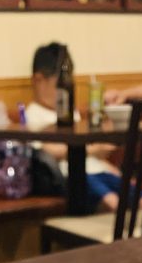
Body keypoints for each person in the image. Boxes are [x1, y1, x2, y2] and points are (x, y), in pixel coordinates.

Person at [26, 42, 122, 212]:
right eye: (61, 83)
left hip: (98, 170)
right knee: (114, 203)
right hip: (73, 177)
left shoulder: (70, 112)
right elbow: (46, 152)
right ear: (38, 79)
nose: (66, 88)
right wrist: (93, 149)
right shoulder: (32, 115)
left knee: (141, 199)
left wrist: (105, 151)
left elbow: (97, 155)